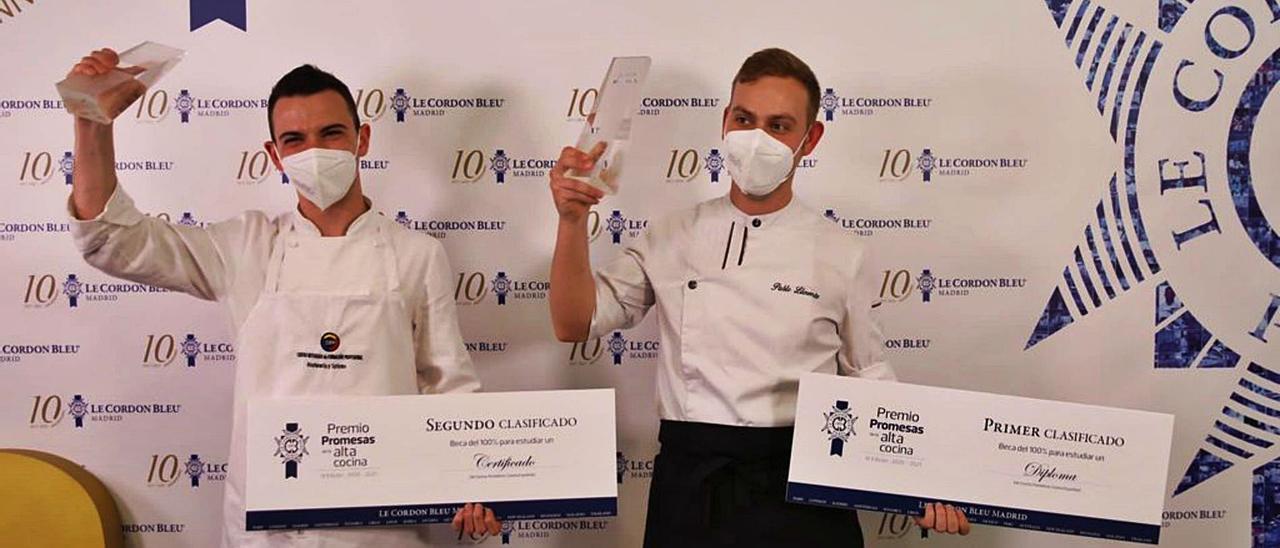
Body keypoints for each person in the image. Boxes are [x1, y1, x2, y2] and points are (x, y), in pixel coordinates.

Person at [65, 49, 500, 547]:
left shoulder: (416, 254)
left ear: (362, 139)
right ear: (275, 155)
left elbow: (450, 385)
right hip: (267, 532)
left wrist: (477, 481)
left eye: (331, 134)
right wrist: (90, 120)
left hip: (380, 530)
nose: (314, 150)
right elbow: (113, 240)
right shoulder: (244, 246)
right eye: (294, 139)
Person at [548, 48, 971, 546]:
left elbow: (869, 377)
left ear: (809, 139)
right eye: (745, 119)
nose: (757, 139)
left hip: (802, 492)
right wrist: (572, 223)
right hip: (691, 486)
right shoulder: (671, 235)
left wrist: (919, 483)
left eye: (779, 125)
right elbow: (575, 323)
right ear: (725, 121)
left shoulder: (843, 252)